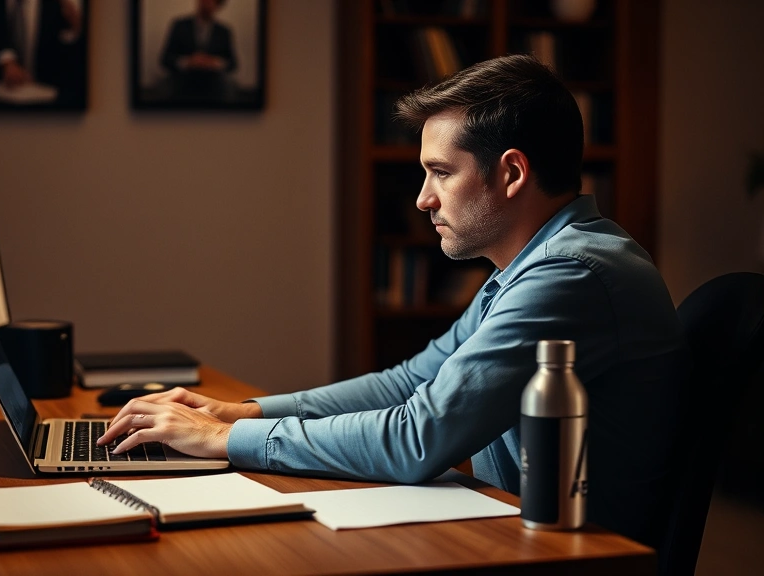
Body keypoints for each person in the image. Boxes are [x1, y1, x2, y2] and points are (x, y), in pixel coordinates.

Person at [98, 54, 687, 548]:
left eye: (440, 172)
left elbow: (419, 438)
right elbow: (407, 383)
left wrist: (221, 442)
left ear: (510, 173)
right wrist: (243, 412)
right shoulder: (533, 266)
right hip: (518, 534)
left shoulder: (570, 275)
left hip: (568, 556)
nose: (423, 200)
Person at [158, 0, 237, 103]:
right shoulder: (180, 26)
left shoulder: (223, 31)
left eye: (210, 2)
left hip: (213, 82)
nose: (205, 4)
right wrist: (188, 62)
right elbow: (165, 59)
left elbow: (233, 64)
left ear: (218, 6)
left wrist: (214, 63)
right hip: (183, 80)